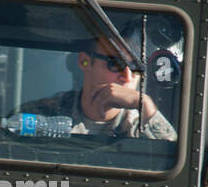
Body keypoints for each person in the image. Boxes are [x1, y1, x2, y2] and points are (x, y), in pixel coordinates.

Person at [12, 34, 178, 141]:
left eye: (136, 67)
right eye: (115, 64)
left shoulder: (142, 128)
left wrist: (146, 105)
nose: (127, 77)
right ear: (84, 61)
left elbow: (173, 166)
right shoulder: (42, 114)